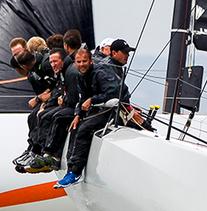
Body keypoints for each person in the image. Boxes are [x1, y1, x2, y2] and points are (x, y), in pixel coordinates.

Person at [56, 39, 147, 187]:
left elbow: (114, 92)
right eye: (78, 62)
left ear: (90, 61)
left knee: (85, 129)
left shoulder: (101, 71)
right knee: (76, 125)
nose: (81, 64)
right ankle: (71, 171)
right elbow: (83, 96)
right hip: (105, 106)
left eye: (84, 61)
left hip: (116, 108)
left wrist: (92, 100)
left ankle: (75, 172)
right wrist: (78, 114)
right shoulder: (81, 75)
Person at [23, 48, 71, 173]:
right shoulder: (59, 72)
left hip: (71, 106)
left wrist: (63, 100)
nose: (53, 65)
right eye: (51, 62)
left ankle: (48, 154)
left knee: (51, 116)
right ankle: (35, 149)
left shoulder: (70, 71)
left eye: (55, 61)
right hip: (60, 102)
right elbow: (57, 89)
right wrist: (46, 102)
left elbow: (74, 93)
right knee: (36, 115)